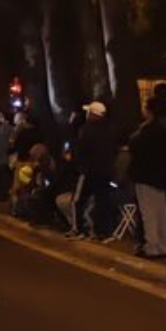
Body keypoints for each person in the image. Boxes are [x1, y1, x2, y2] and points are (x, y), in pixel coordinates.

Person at [127, 95, 166, 259]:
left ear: (149, 111)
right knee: (161, 211)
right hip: (161, 176)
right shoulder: (165, 130)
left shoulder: (145, 131)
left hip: (145, 176)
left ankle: (152, 247)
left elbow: (133, 146)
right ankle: (162, 245)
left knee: (148, 212)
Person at [68, 101, 118, 240]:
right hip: (106, 171)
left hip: (89, 170)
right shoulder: (110, 129)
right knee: (103, 201)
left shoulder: (87, 129)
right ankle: (104, 232)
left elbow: (81, 150)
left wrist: (79, 165)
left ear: (93, 114)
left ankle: (78, 229)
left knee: (78, 200)